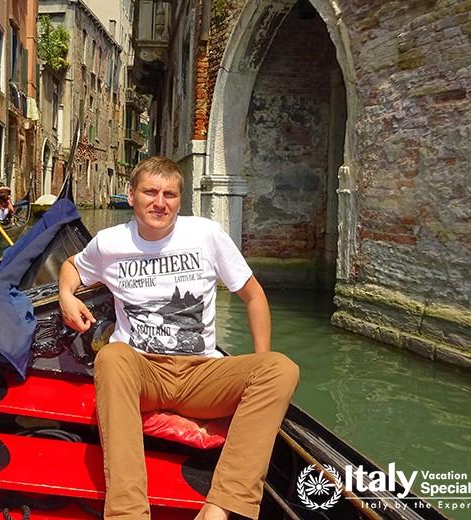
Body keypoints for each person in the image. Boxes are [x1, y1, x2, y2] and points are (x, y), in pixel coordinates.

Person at [59, 157, 299, 520]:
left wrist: (259, 359)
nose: (160, 202)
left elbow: (253, 296)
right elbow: (71, 266)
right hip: (143, 374)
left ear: (179, 200)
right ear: (132, 196)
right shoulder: (110, 242)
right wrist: (66, 295)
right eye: (150, 192)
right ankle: (128, 513)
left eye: (169, 194)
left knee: (280, 368)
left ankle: (221, 505)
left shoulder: (206, 234)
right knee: (112, 356)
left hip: (201, 375)